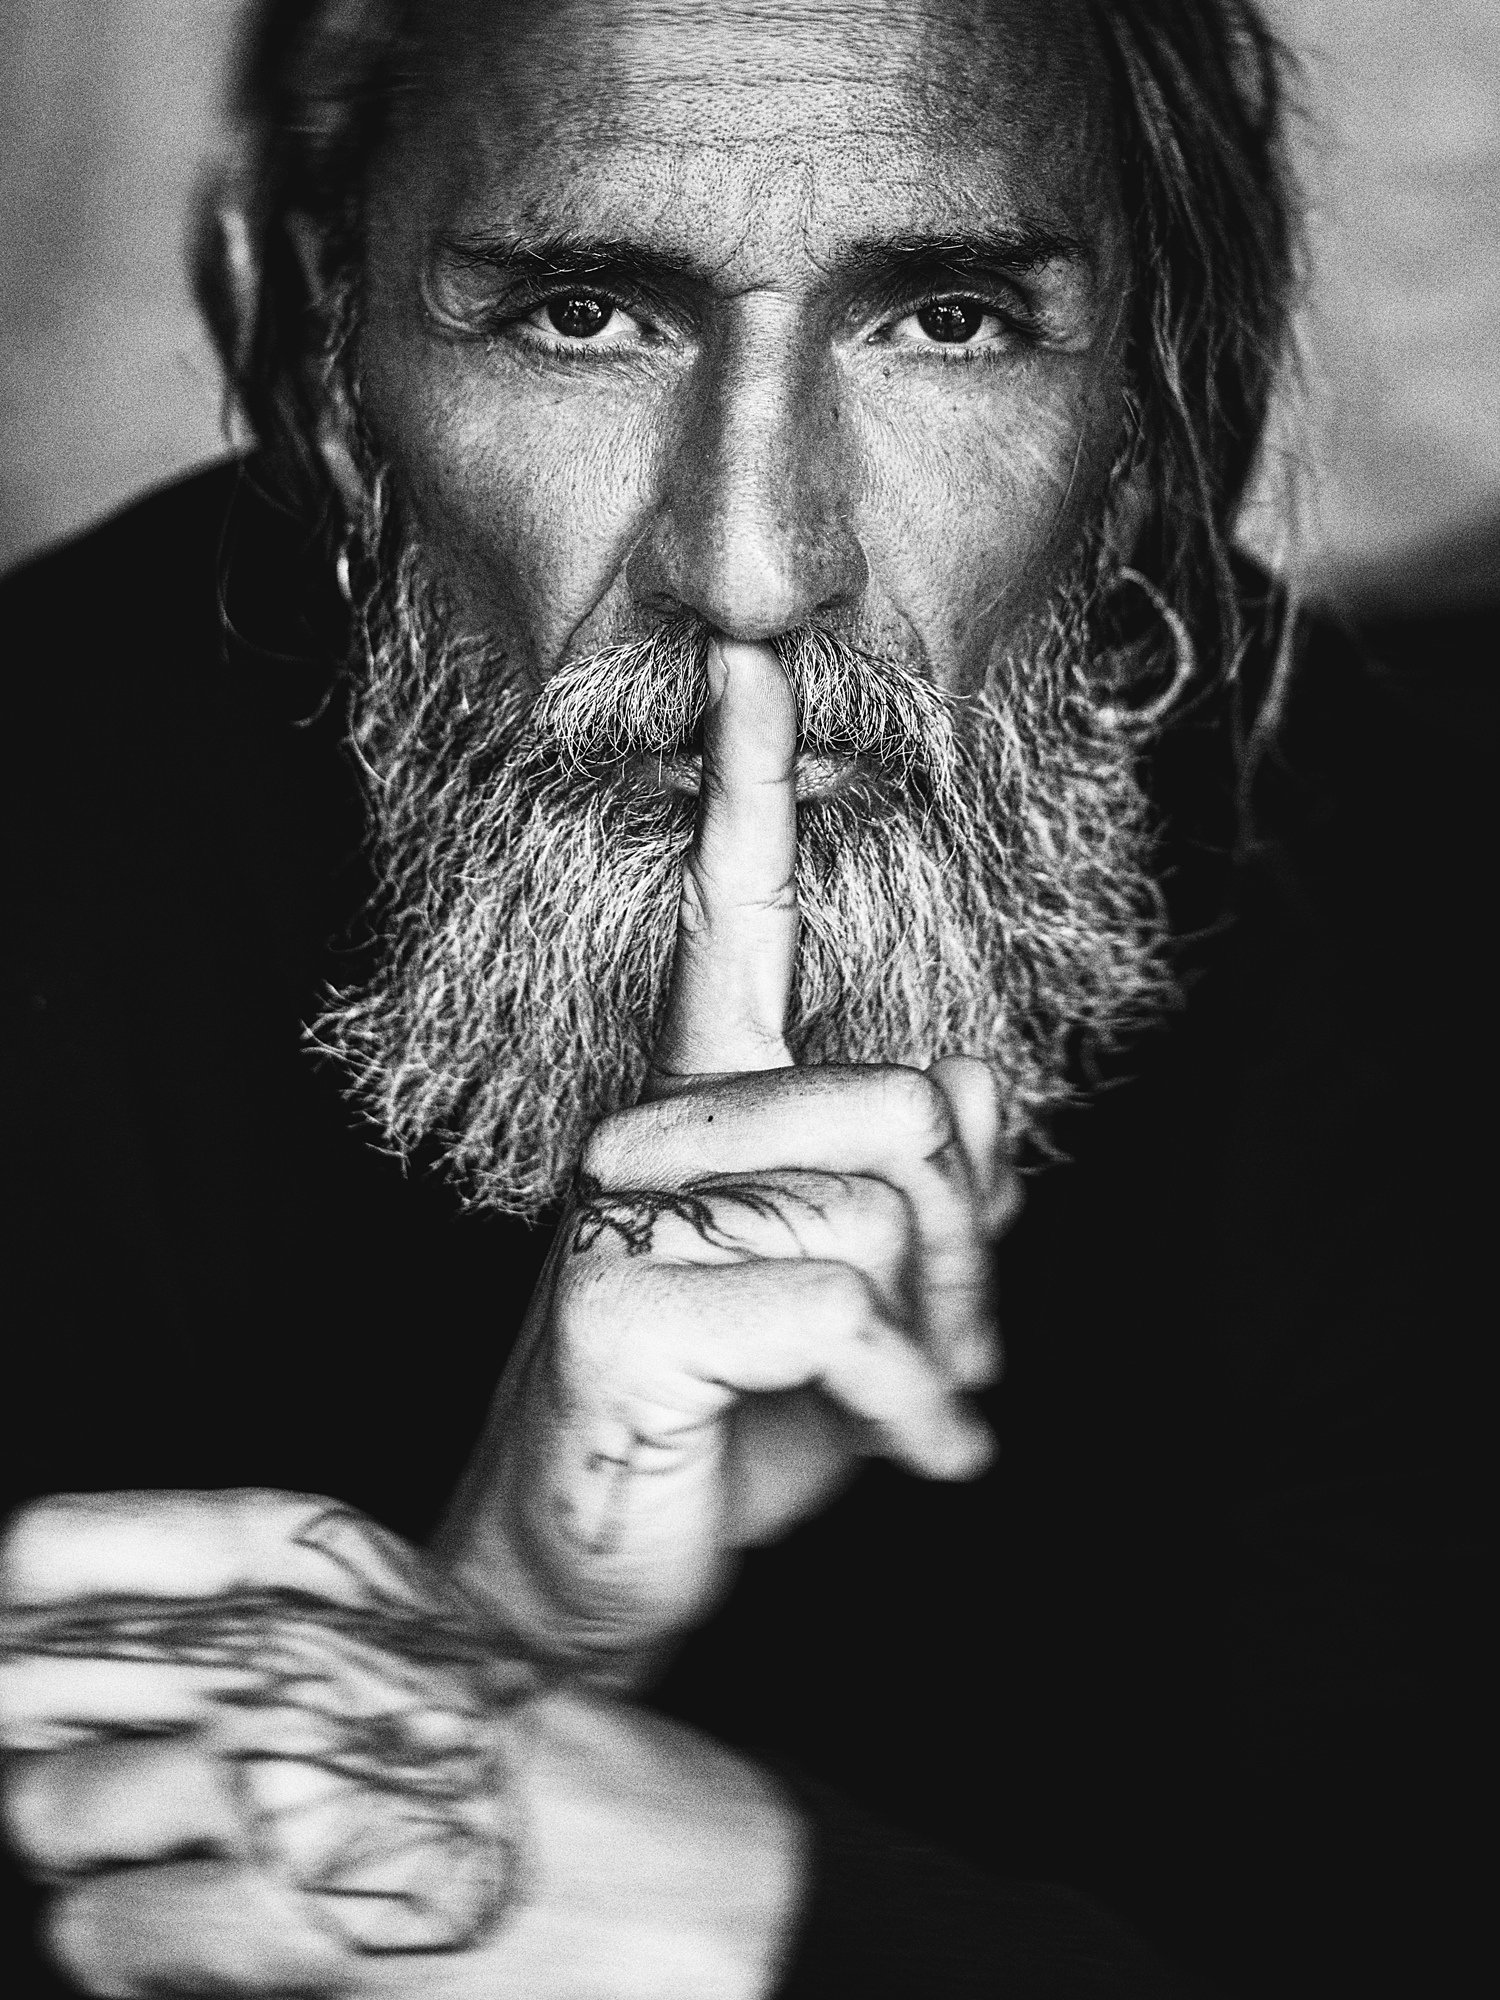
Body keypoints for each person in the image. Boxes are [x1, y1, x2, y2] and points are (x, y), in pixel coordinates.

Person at [0, 0, 1485, 1993]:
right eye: (583, 317)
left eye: (947, 319)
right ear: (329, 372)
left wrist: (793, 1921)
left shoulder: (1398, 903)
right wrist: (512, 1618)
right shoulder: (43, 832)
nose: (759, 563)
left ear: (1141, 422)